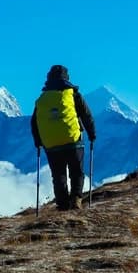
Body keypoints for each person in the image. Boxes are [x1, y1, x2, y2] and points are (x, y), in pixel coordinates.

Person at [31, 65, 97, 210]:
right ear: (67, 78)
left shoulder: (42, 99)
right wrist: (92, 134)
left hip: (51, 143)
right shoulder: (73, 94)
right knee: (76, 171)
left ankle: (62, 204)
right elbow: (86, 115)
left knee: (58, 175)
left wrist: (38, 142)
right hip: (73, 140)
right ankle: (76, 200)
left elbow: (34, 122)